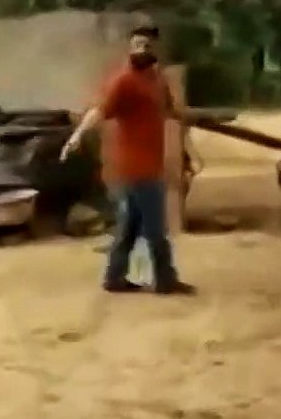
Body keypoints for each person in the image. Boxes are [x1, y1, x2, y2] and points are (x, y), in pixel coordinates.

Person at [61, 24, 196, 295]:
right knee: (155, 228)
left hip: (149, 165)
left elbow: (170, 111)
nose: (141, 50)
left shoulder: (157, 80)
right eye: (137, 45)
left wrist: (189, 126)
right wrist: (77, 135)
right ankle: (165, 280)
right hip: (136, 169)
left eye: (147, 45)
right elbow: (99, 111)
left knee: (129, 227)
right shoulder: (123, 81)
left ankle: (114, 278)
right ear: (130, 48)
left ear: (156, 49)